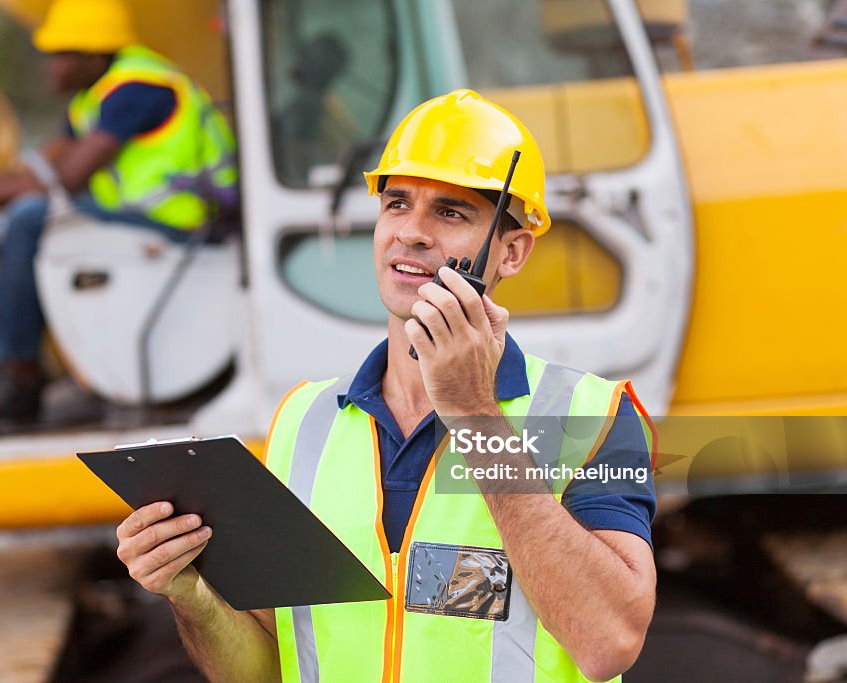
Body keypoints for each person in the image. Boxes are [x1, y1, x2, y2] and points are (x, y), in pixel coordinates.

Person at [114, 90, 657, 682]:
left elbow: (608, 642)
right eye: (397, 204)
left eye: (451, 213)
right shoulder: (306, 421)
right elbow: (268, 670)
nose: (412, 233)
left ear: (512, 252)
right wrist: (189, 593)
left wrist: (475, 412)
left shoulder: (590, 416)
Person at [0, 0, 237, 425]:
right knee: (18, 210)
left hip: (186, 225)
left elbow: (66, 178)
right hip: (146, 220)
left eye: (59, 56)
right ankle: (45, 370)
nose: (50, 68)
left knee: (30, 216)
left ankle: (19, 375)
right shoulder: (97, 95)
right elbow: (39, 166)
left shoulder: (137, 91)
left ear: (92, 55)